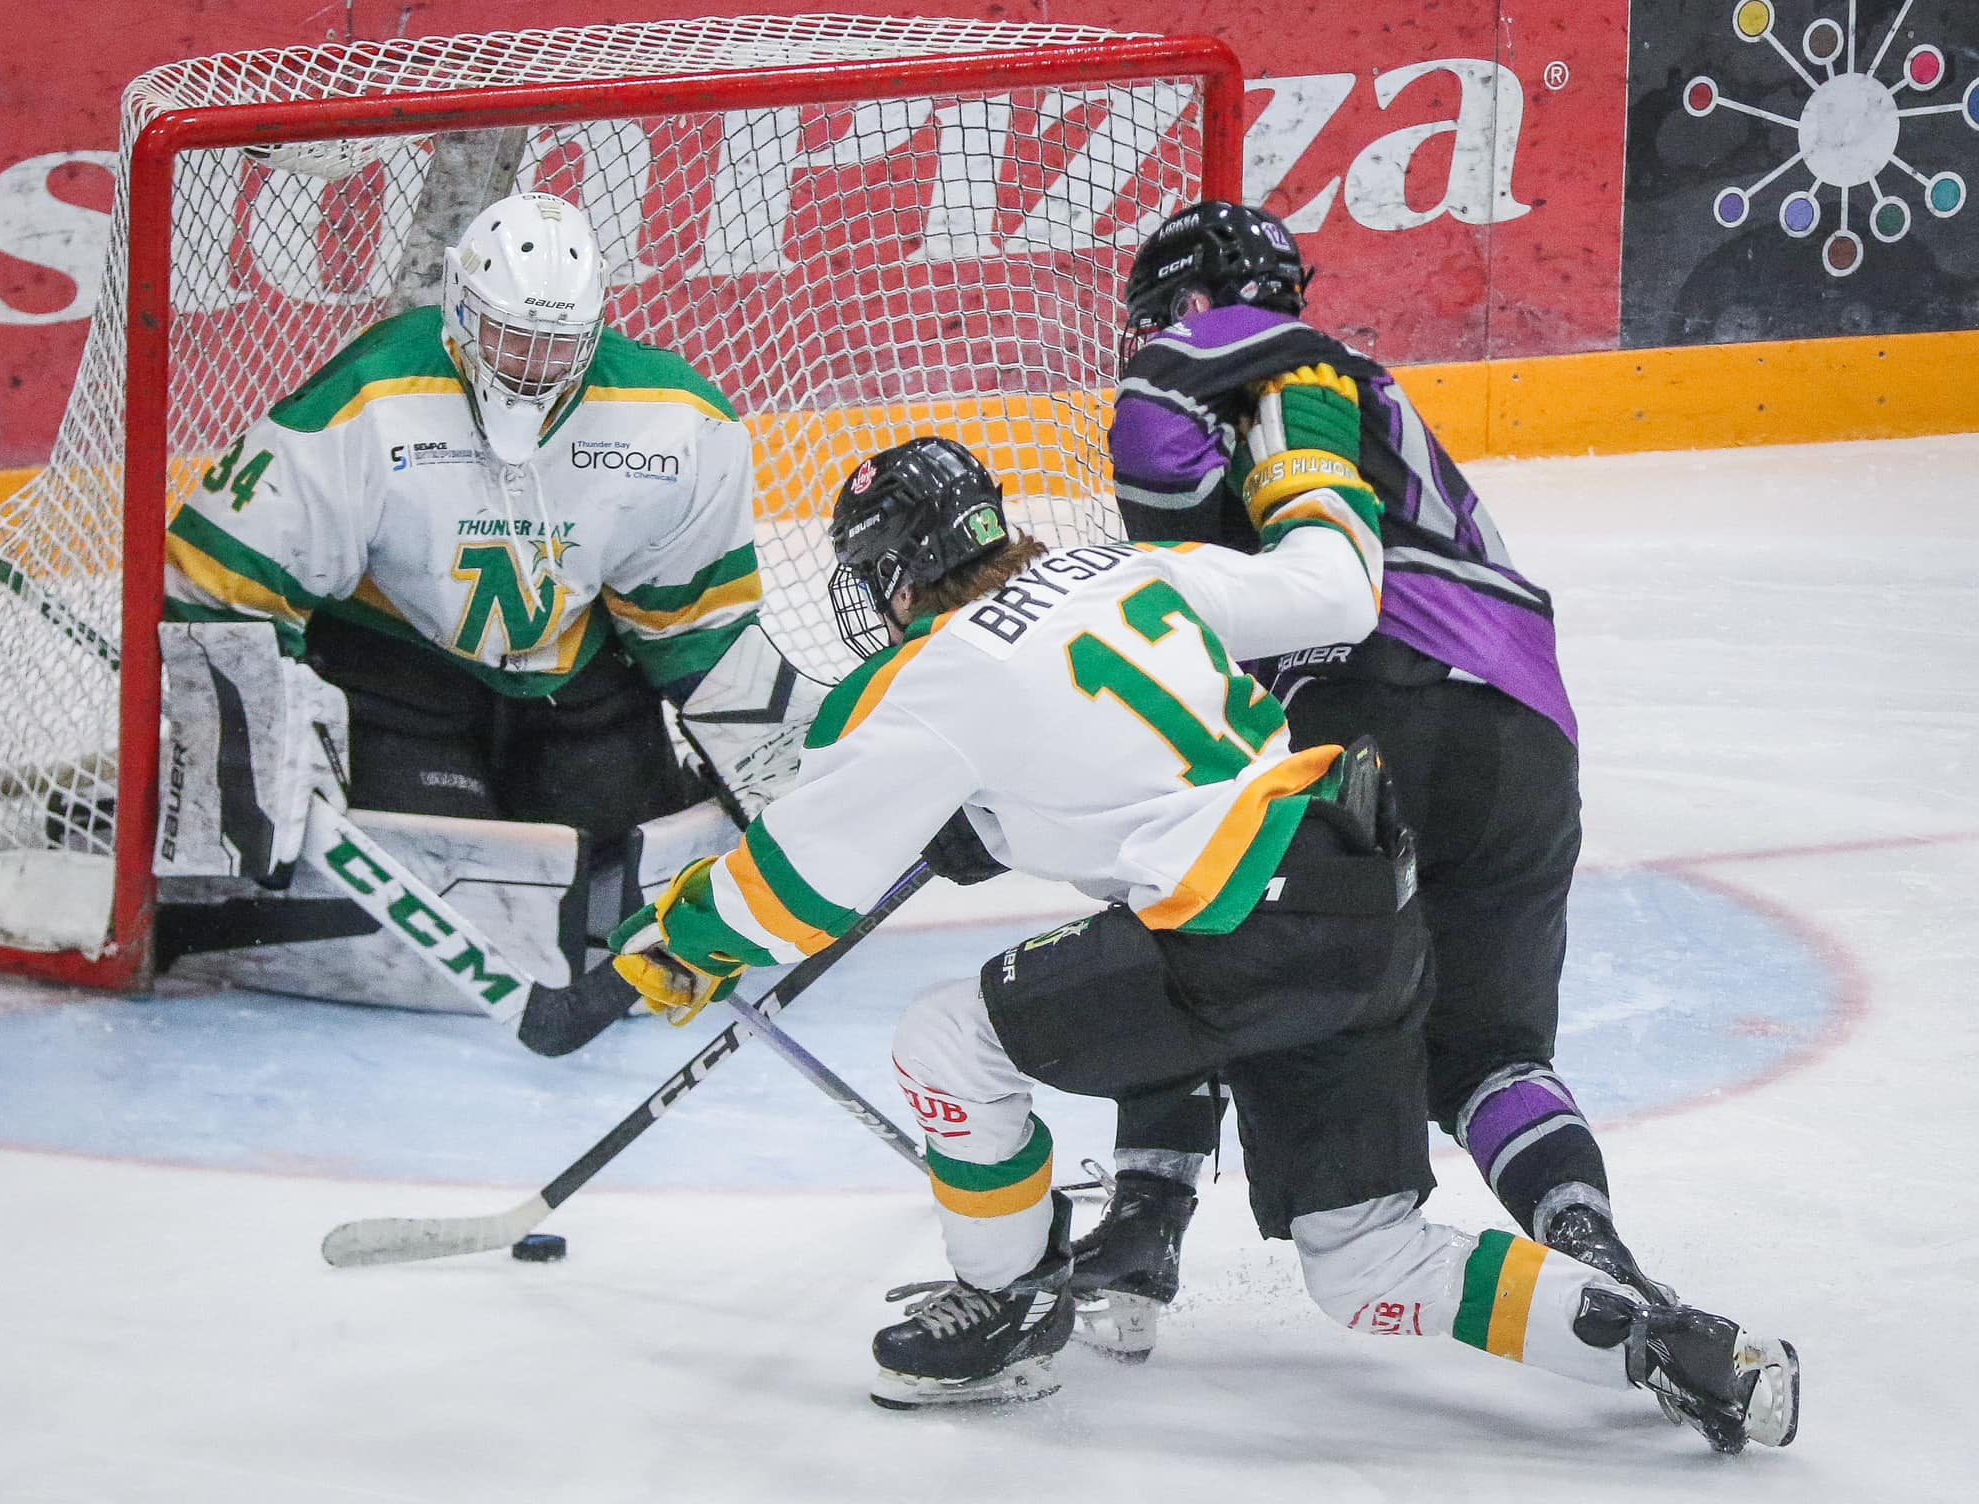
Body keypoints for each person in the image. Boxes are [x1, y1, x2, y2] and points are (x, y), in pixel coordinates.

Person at [607, 421, 1798, 1451]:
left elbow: (805, 875)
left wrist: (687, 937)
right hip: (1365, 901)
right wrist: (1310, 470)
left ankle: (1008, 1306)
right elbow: (1336, 586)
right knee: (1363, 1260)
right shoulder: (1132, 571)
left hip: (1239, 932)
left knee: (945, 1038)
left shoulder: (932, 671)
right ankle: (1665, 1343)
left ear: (893, 577)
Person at [1069, 200, 1665, 1354]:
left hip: (1361, 704)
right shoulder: (1361, 388)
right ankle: (1594, 1251)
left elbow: (1153, 437)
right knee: (1491, 1055)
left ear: (1190, 301)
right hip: (1525, 733)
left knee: (1183, 914)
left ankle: (1143, 1223)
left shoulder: (1224, 351)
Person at [164, 191, 813, 1055]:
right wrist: (264, 734)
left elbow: (694, 625)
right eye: (511, 336)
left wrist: (791, 779)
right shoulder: (373, 396)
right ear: (459, 312)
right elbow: (219, 580)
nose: (532, 364)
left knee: (618, 881)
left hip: (580, 681)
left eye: (556, 343)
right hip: (400, 676)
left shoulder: (677, 422)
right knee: (448, 892)